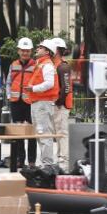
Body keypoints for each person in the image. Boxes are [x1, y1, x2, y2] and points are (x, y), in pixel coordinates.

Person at [5, 37, 37, 172]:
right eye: (23, 51)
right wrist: (8, 95)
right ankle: (20, 160)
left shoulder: (36, 65)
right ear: (18, 51)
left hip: (29, 103)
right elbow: (8, 82)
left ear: (31, 51)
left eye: (27, 51)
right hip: (15, 102)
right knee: (18, 134)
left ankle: (31, 161)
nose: (25, 53)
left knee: (31, 134)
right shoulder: (13, 64)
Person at [27, 38, 58, 165]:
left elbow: (49, 84)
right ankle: (46, 163)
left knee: (44, 134)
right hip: (38, 103)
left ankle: (47, 164)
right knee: (41, 134)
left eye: (40, 47)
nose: (37, 48)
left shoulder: (47, 65)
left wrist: (33, 88)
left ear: (47, 51)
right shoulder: (41, 63)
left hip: (42, 104)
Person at [50, 37, 74, 171]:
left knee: (62, 131)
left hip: (62, 104)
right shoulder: (56, 64)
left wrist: (59, 102)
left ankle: (64, 156)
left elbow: (65, 87)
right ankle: (60, 154)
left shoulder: (62, 66)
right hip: (58, 103)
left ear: (57, 50)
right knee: (58, 130)